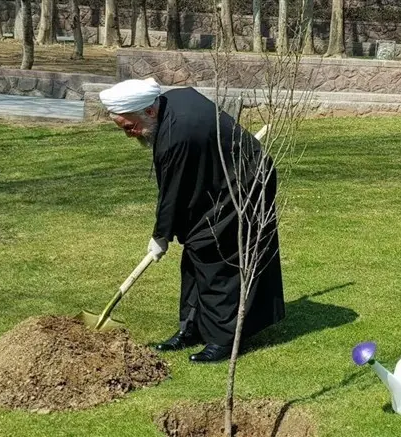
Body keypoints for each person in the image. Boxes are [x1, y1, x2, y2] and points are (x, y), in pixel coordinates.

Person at [99, 78, 285, 363]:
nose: (129, 135)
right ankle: (192, 327)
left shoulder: (176, 137)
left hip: (247, 182)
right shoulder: (174, 101)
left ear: (149, 111)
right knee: (195, 250)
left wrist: (161, 235)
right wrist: (169, 232)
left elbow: (172, 194)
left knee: (217, 255)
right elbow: (181, 185)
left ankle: (223, 339)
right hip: (218, 176)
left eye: (129, 127)